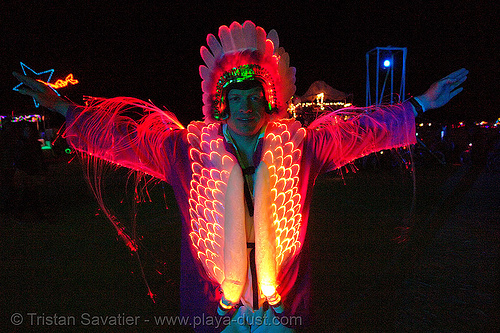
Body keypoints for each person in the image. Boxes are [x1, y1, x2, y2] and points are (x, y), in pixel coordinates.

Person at [13, 20, 467, 332]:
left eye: (256, 98)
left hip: (284, 307)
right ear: (222, 103)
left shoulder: (302, 147)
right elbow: (123, 137)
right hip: (214, 310)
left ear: (269, 101)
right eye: (238, 99)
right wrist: (64, 109)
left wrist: (421, 104)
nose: (247, 108)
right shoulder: (185, 152)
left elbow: (361, 133)